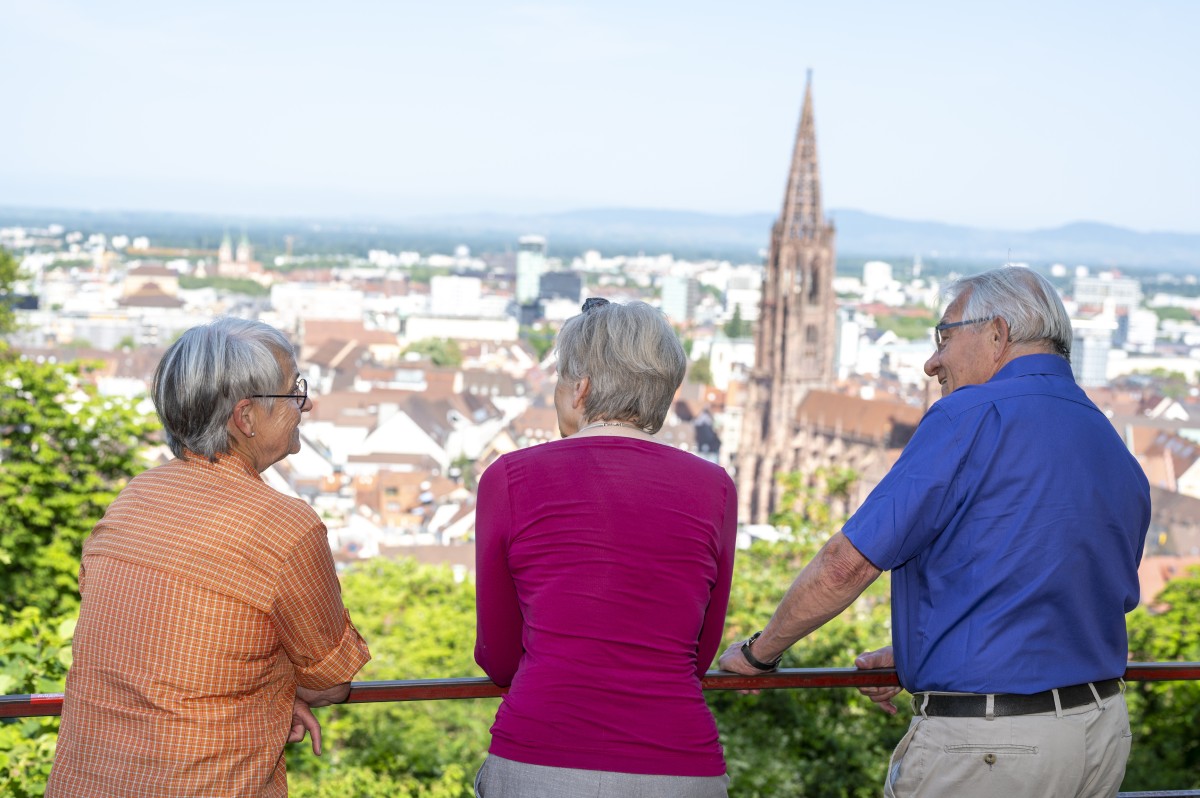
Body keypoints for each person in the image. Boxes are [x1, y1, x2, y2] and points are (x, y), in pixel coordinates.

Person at [719, 267, 1150, 798]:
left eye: (944, 338)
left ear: (997, 334)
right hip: (1099, 733)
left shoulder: (966, 416)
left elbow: (846, 564)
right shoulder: (1108, 435)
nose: (932, 363)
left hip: (993, 746)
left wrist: (761, 653)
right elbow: (1073, 581)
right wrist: (926, 647)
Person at [47, 317, 371, 798]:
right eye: (292, 391)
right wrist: (280, 697)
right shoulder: (284, 527)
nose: (303, 405)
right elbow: (330, 681)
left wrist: (264, 694)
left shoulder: (133, 498)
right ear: (245, 418)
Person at [474, 298, 738, 797]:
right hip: (680, 763)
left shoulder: (508, 477)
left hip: (541, 754)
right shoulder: (714, 488)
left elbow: (499, 655)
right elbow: (699, 652)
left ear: (582, 389)